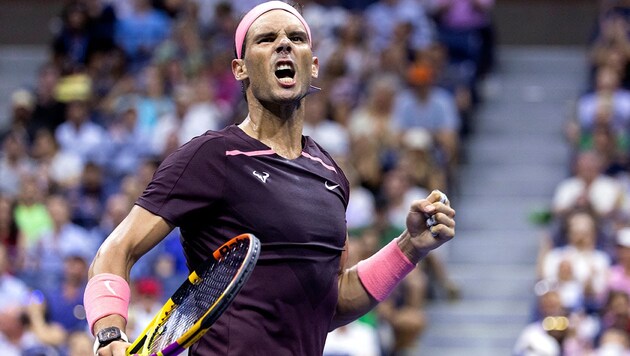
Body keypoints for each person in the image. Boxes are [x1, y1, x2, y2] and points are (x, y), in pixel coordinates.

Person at [84, 2, 456, 356]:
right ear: (240, 68)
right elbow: (115, 252)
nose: (283, 44)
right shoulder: (212, 157)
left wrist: (409, 247)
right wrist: (109, 331)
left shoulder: (331, 175)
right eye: (266, 39)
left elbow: (334, 301)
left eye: (296, 38)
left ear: (312, 66)